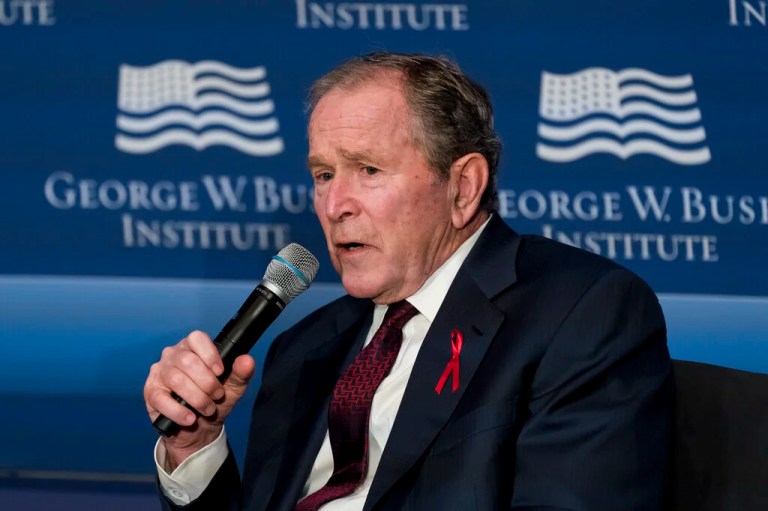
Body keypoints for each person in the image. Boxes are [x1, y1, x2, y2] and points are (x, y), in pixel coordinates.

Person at [143, 52, 673, 510]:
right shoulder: (302, 350)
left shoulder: (580, 313)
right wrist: (196, 445)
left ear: (463, 187)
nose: (334, 205)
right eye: (323, 175)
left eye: (368, 170)